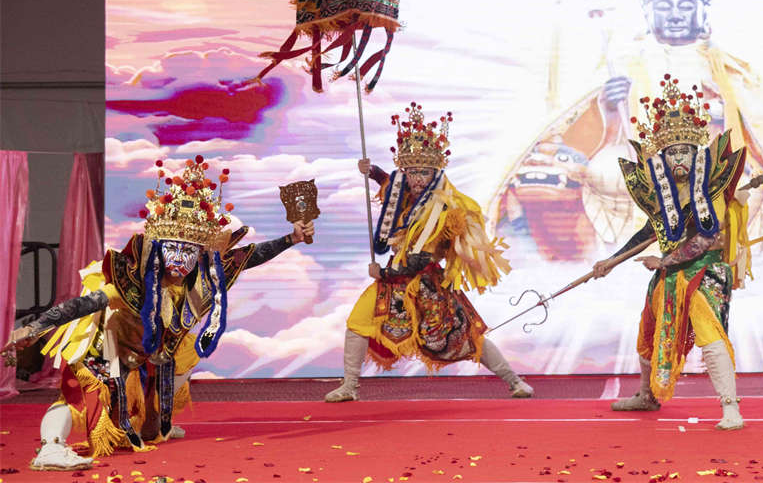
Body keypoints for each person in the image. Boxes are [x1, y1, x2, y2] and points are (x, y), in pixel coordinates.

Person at [490, 0, 763, 263]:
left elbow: (757, 123)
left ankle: (722, 258)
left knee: (745, 185)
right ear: (649, 15)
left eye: (686, 6)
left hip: (712, 155)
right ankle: (629, 256)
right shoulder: (629, 61)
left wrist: (720, 112)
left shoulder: (726, 68)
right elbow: (601, 127)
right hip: (641, 154)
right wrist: (609, 105)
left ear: (703, 14)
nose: (676, 14)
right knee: (607, 171)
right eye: (665, 6)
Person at [2, 156, 314, 470]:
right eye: (171, 249)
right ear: (158, 250)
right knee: (78, 397)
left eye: (187, 251)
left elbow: (249, 257)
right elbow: (83, 305)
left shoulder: (205, 278)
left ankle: (152, 421)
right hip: (109, 347)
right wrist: (35, 327)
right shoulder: (133, 282)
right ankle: (50, 448)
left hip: (153, 354)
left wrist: (292, 238)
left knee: (169, 390)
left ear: (199, 254)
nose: (178, 258)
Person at [325, 105, 532, 402]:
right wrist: (372, 172)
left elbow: (419, 261)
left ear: (435, 173)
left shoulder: (442, 209)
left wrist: (382, 272)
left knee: (469, 336)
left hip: (426, 286)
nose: (418, 179)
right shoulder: (405, 197)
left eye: (424, 173)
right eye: (412, 172)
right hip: (392, 285)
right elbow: (390, 188)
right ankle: (349, 387)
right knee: (357, 323)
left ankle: (514, 381)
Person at [590, 75, 757, 430]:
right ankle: (647, 396)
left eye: (685, 152)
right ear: (664, 157)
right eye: (672, 152)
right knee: (648, 334)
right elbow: (648, 232)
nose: (679, 157)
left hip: (704, 274)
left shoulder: (711, 189)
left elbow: (708, 240)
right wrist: (611, 261)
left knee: (711, 338)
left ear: (695, 155)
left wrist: (663, 261)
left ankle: (731, 409)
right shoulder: (663, 193)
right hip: (667, 275)